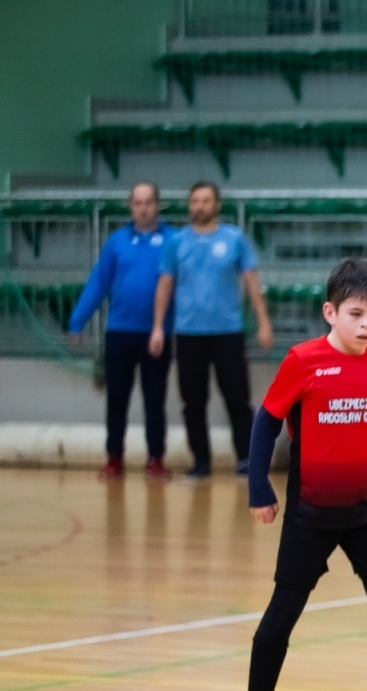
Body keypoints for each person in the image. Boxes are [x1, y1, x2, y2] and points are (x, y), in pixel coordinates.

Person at [236, 259, 367, 691]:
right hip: (310, 513)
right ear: (330, 312)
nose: (366, 324)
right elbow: (266, 423)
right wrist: (259, 487)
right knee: (284, 608)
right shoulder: (303, 361)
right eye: (356, 313)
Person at [149, 180, 274, 479]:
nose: (200, 206)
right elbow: (165, 285)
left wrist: (263, 321)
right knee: (193, 402)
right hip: (189, 334)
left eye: (206, 201)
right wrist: (157, 327)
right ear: (189, 205)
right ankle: (200, 462)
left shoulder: (234, 239)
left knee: (238, 400)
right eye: (195, 201)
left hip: (227, 333)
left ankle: (247, 459)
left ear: (216, 205)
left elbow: (251, 281)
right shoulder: (176, 243)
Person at [68, 181, 176, 481]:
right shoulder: (116, 242)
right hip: (119, 333)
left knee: (155, 400)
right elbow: (98, 283)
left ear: (158, 204)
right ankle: (114, 457)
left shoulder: (174, 240)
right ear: (131, 206)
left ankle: (156, 459)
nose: (143, 208)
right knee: (117, 399)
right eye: (137, 203)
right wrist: (78, 320)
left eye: (149, 202)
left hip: (157, 334)